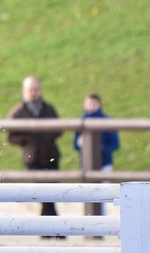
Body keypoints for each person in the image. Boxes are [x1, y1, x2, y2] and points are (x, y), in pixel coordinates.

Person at [7, 76, 64, 234]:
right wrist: (28, 139)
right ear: (24, 91)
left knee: (51, 192)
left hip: (51, 154)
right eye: (30, 90)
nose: (33, 93)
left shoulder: (48, 109)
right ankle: (55, 229)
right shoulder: (18, 113)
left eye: (36, 89)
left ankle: (47, 230)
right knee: (44, 192)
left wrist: (45, 135)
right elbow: (12, 136)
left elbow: (59, 129)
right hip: (33, 157)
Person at [73, 93, 120, 218]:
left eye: (93, 104)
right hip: (87, 164)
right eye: (88, 104)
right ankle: (89, 221)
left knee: (102, 194)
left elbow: (115, 144)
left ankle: (101, 222)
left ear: (99, 105)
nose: (91, 107)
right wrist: (81, 143)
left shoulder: (106, 121)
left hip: (103, 163)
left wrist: (99, 149)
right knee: (88, 193)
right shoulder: (81, 121)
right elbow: (75, 145)